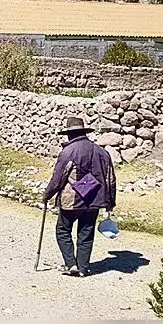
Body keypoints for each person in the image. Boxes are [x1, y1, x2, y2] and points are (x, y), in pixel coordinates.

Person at [42, 116, 117, 277]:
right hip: (94, 200)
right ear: (83, 132)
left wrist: (47, 195)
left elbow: (58, 178)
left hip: (72, 200)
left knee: (63, 230)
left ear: (69, 134)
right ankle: (83, 268)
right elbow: (111, 178)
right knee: (86, 233)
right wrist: (110, 202)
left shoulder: (68, 152)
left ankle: (71, 264)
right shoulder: (102, 152)